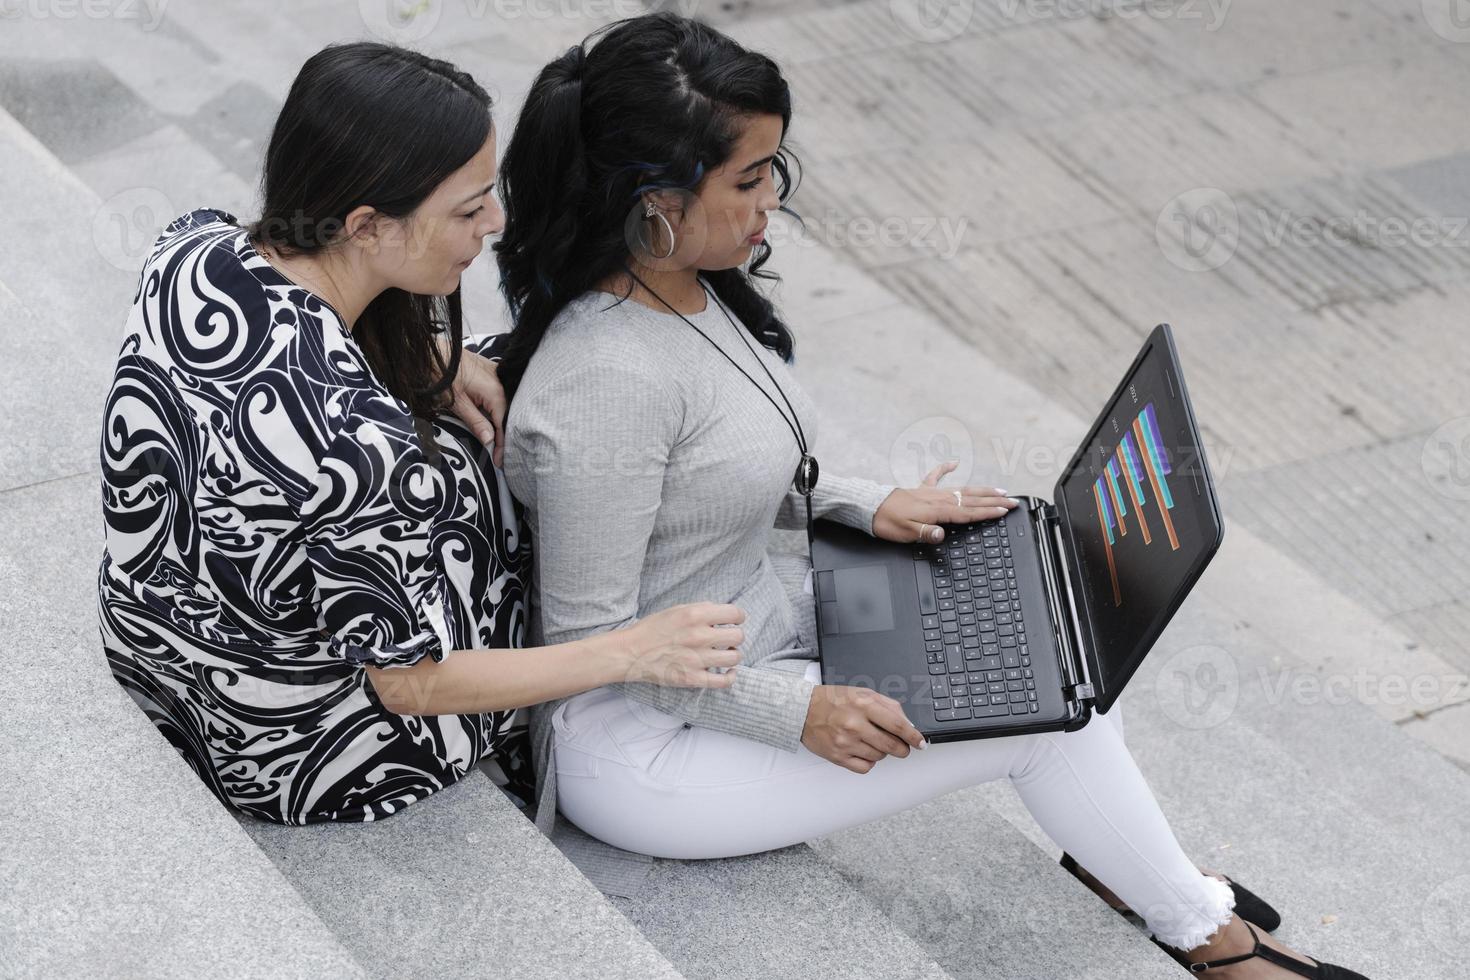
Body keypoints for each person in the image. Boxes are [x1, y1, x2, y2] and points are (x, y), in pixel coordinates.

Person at [496, 13, 1368, 978]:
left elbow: (714, 474)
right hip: (643, 750)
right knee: (1049, 721)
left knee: (1049, 652)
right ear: (655, 202)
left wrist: (868, 507)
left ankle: (1138, 865)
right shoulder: (605, 381)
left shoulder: (688, 290)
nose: (769, 207)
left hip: (758, 640)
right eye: (748, 180)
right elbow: (589, 652)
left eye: (772, 173)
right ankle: (1216, 944)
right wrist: (800, 716)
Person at [97, 41, 743, 826]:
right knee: (535, 509)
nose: (496, 223)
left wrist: (440, 350)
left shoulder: (191, 248)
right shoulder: (361, 452)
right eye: (469, 209)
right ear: (367, 225)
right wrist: (634, 650)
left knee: (498, 413)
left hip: (157, 646)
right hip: (294, 749)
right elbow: (408, 685)